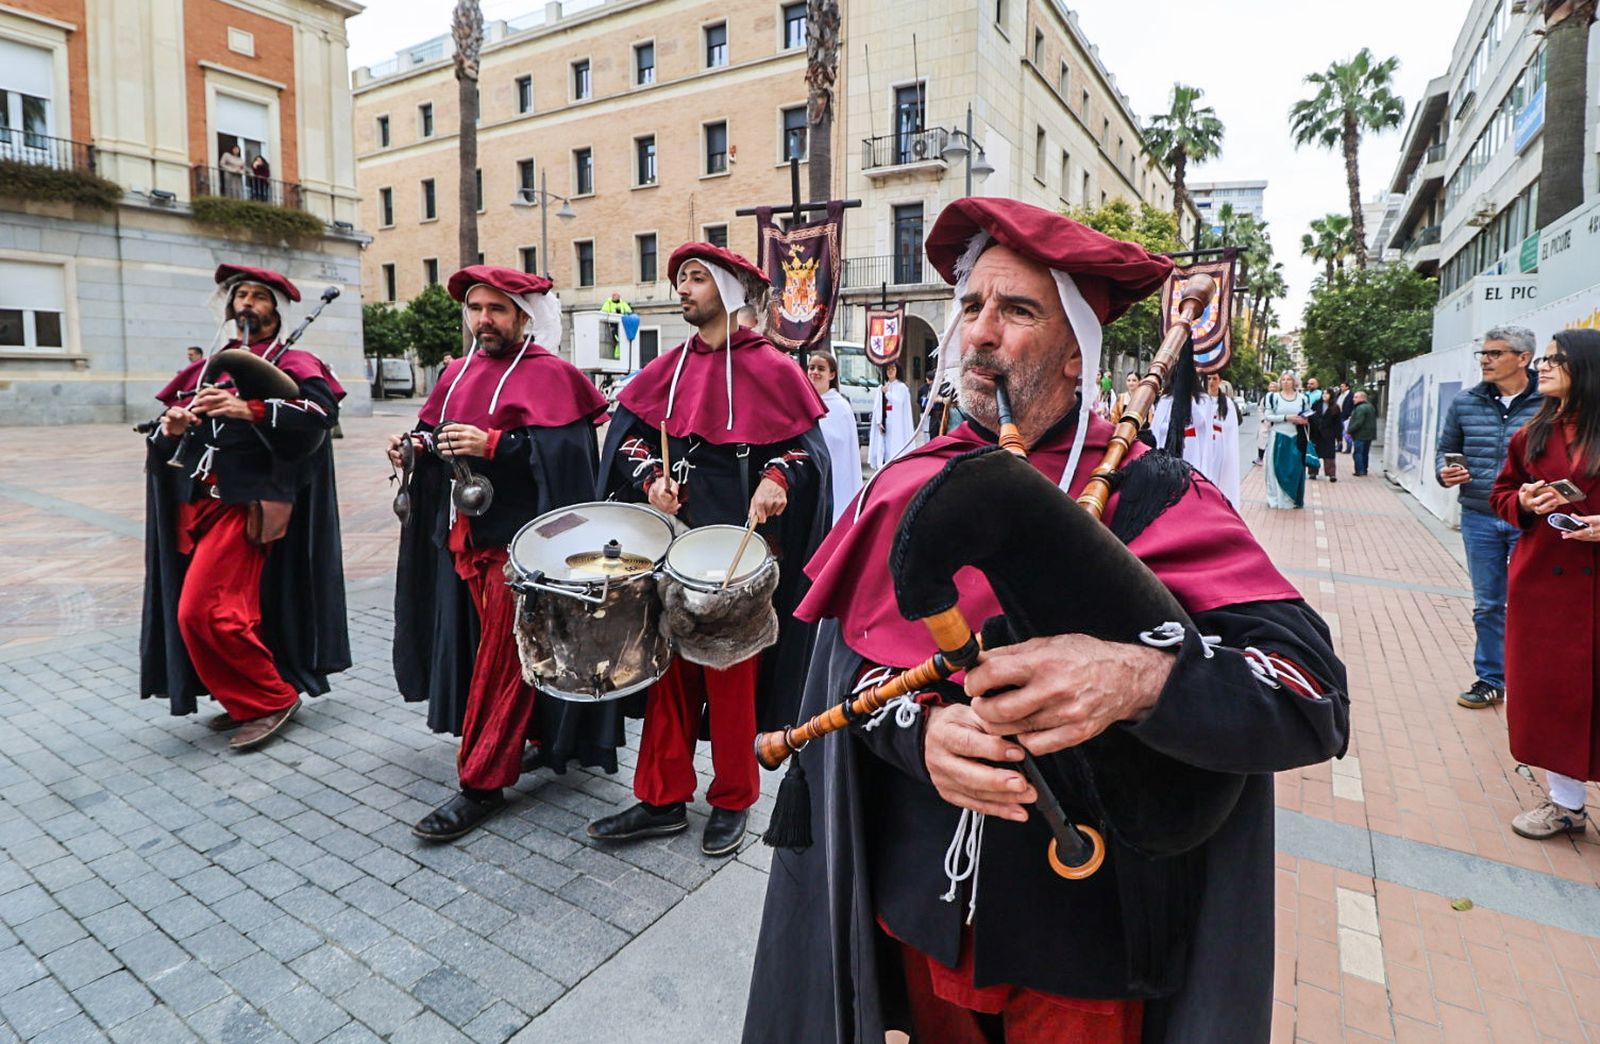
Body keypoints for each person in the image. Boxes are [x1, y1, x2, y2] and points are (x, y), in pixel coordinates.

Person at [743, 197, 1348, 1044]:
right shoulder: (907, 483)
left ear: (1077, 356)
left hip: (1085, 942)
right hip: (921, 911)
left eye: (1018, 309)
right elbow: (848, 670)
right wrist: (916, 736)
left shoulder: (1154, 493)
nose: (982, 333)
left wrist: (1140, 680)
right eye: (971, 308)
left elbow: (1311, 694)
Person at [588, 242, 831, 856]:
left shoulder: (774, 368)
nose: (683, 289)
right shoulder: (665, 370)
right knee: (667, 680)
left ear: (724, 291)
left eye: (695, 279)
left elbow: (806, 454)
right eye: (681, 280)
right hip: (674, 551)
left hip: (740, 559)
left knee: (730, 682)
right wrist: (650, 480)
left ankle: (733, 800)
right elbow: (628, 442)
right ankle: (662, 798)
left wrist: (778, 478)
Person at [390, 265, 614, 842]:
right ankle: (531, 740)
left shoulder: (554, 376)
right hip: (468, 537)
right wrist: (413, 446)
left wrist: (497, 444)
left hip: (526, 549)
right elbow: (432, 430)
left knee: (503, 657)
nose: (482, 320)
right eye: (475, 309)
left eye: (495, 310)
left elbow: (568, 457)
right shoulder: (458, 371)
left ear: (522, 316)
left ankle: (480, 782)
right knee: (494, 650)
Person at [142, 264, 349, 749]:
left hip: (249, 506)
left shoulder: (297, 363)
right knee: (231, 610)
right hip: (199, 506)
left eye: (259, 296)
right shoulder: (208, 366)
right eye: (241, 296)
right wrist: (171, 428)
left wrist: (251, 408)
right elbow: (167, 435)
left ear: (276, 309)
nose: (247, 304)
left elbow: (320, 417)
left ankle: (271, 697)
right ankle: (242, 698)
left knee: (205, 611)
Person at [1490, 329, 1600, 839]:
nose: (1545, 366)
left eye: (1557, 359)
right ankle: (1566, 804)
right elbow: (1502, 493)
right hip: (1544, 588)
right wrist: (1525, 504)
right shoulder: (1531, 433)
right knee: (1550, 694)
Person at [1437, 326, 1542, 710]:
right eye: (1483, 353)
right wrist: (1444, 472)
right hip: (1479, 515)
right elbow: (1446, 450)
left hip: (1529, 520)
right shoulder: (1465, 402)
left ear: (1523, 358)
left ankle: (1531, 680)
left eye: (1495, 353)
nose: (1485, 359)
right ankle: (1491, 680)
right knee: (1487, 604)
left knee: (1531, 602)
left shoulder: (1550, 404)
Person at [808, 350, 864, 523]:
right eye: (811, 367)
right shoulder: (803, 401)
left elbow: (843, 447)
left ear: (831, 374)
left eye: (821, 368)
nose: (815, 372)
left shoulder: (841, 407)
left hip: (837, 474)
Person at [1263, 373, 1309, 508]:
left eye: (1289, 379)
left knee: (1296, 469)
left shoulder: (1303, 398)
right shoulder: (1273, 397)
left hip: (1296, 437)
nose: (1286, 382)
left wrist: (1304, 420)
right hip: (1278, 436)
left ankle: (1292, 499)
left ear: (1294, 382)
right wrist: (1287, 418)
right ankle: (1276, 499)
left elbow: (1308, 414)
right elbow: (1268, 416)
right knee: (1275, 468)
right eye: (1283, 379)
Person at [1150, 379, 1212, 471]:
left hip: (1192, 447)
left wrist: (1191, 401)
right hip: (1170, 444)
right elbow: (1157, 427)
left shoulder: (1202, 399)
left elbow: (1201, 424)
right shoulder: (1165, 400)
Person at [1204, 374, 1242, 507]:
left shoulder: (1227, 403)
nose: (1211, 382)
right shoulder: (1201, 400)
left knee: (1218, 474)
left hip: (1219, 443)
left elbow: (1231, 426)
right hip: (1204, 444)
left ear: (1220, 381)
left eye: (1214, 379)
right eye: (1208, 379)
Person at [869, 360, 915, 469]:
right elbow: (877, 406)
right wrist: (879, 421)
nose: (890, 371)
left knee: (894, 445)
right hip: (885, 420)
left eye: (893, 369)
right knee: (885, 445)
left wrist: (887, 393)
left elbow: (899, 402)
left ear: (897, 370)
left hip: (896, 422)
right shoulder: (883, 387)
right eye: (888, 369)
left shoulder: (902, 387)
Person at [1308, 394, 1343, 483]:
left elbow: (1338, 423)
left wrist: (1339, 437)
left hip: (1329, 434)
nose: (1325, 395)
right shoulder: (1316, 405)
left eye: (1327, 393)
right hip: (1316, 433)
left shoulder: (1335, 407)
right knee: (1314, 453)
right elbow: (1310, 417)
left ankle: (1331, 474)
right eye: (1324, 393)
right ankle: (1313, 473)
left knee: (1329, 455)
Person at [1347, 391, 1377, 476]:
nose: (1353, 399)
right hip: (1369, 434)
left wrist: (1350, 430)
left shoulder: (1360, 408)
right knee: (1365, 453)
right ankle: (1364, 469)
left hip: (1360, 434)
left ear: (1362, 398)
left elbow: (1358, 422)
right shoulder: (1370, 407)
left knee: (1358, 453)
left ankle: (1359, 470)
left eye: (1356, 397)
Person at [1256, 379, 1279, 465]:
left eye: (1274, 387)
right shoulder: (1264, 398)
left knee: (1275, 441)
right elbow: (1260, 409)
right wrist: (1262, 419)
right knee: (1262, 439)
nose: (1272, 388)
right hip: (1266, 422)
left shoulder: (1280, 397)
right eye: (1271, 387)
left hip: (1276, 422)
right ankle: (1260, 458)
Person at [1335, 381, 1355, 453]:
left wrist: (1351, 415)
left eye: (1343, 386)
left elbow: (1353, 406)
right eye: (1340, 386)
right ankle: (1339, 446)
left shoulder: (1351, 395)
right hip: (1338, 415)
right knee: (1338, 432)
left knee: (1346, 432)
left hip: (1346, 416)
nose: (1341, 388)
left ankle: (1348, 448)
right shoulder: (1339, 394)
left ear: (1347, 387)